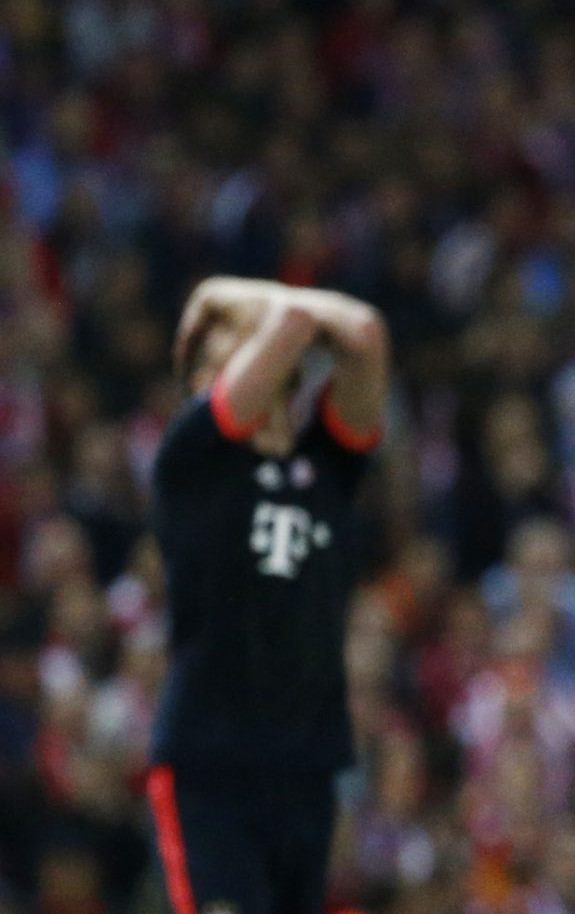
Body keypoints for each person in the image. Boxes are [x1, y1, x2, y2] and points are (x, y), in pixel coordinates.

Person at [144, 277, 389, 914]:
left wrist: (223, 297)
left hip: (305, 763)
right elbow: (296, 324)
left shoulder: (327, 466)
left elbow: (364, 333)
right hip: (212, 766)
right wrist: (213, 293)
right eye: (224, 350)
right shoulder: (190, 460)